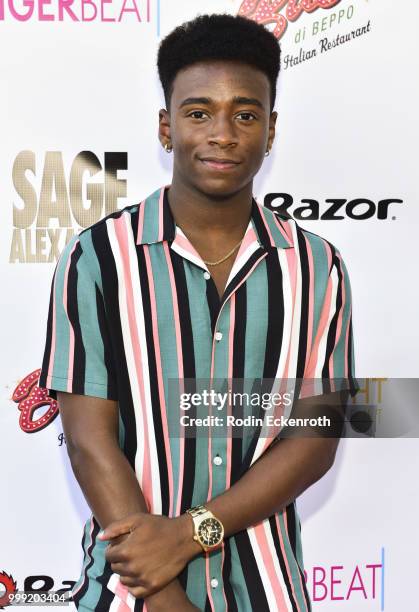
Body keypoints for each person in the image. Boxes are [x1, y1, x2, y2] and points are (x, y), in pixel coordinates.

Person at [39, 13, 358, 612]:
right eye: (197, 112)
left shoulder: (317, 266)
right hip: (132, 594)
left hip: (266, 587)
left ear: (271, 129)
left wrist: (191, 533)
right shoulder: (98, 256)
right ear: (166, 128)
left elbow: (316, 437)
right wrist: (160, 594)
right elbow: (87, 441)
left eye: (245, 114)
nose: (223, 134)